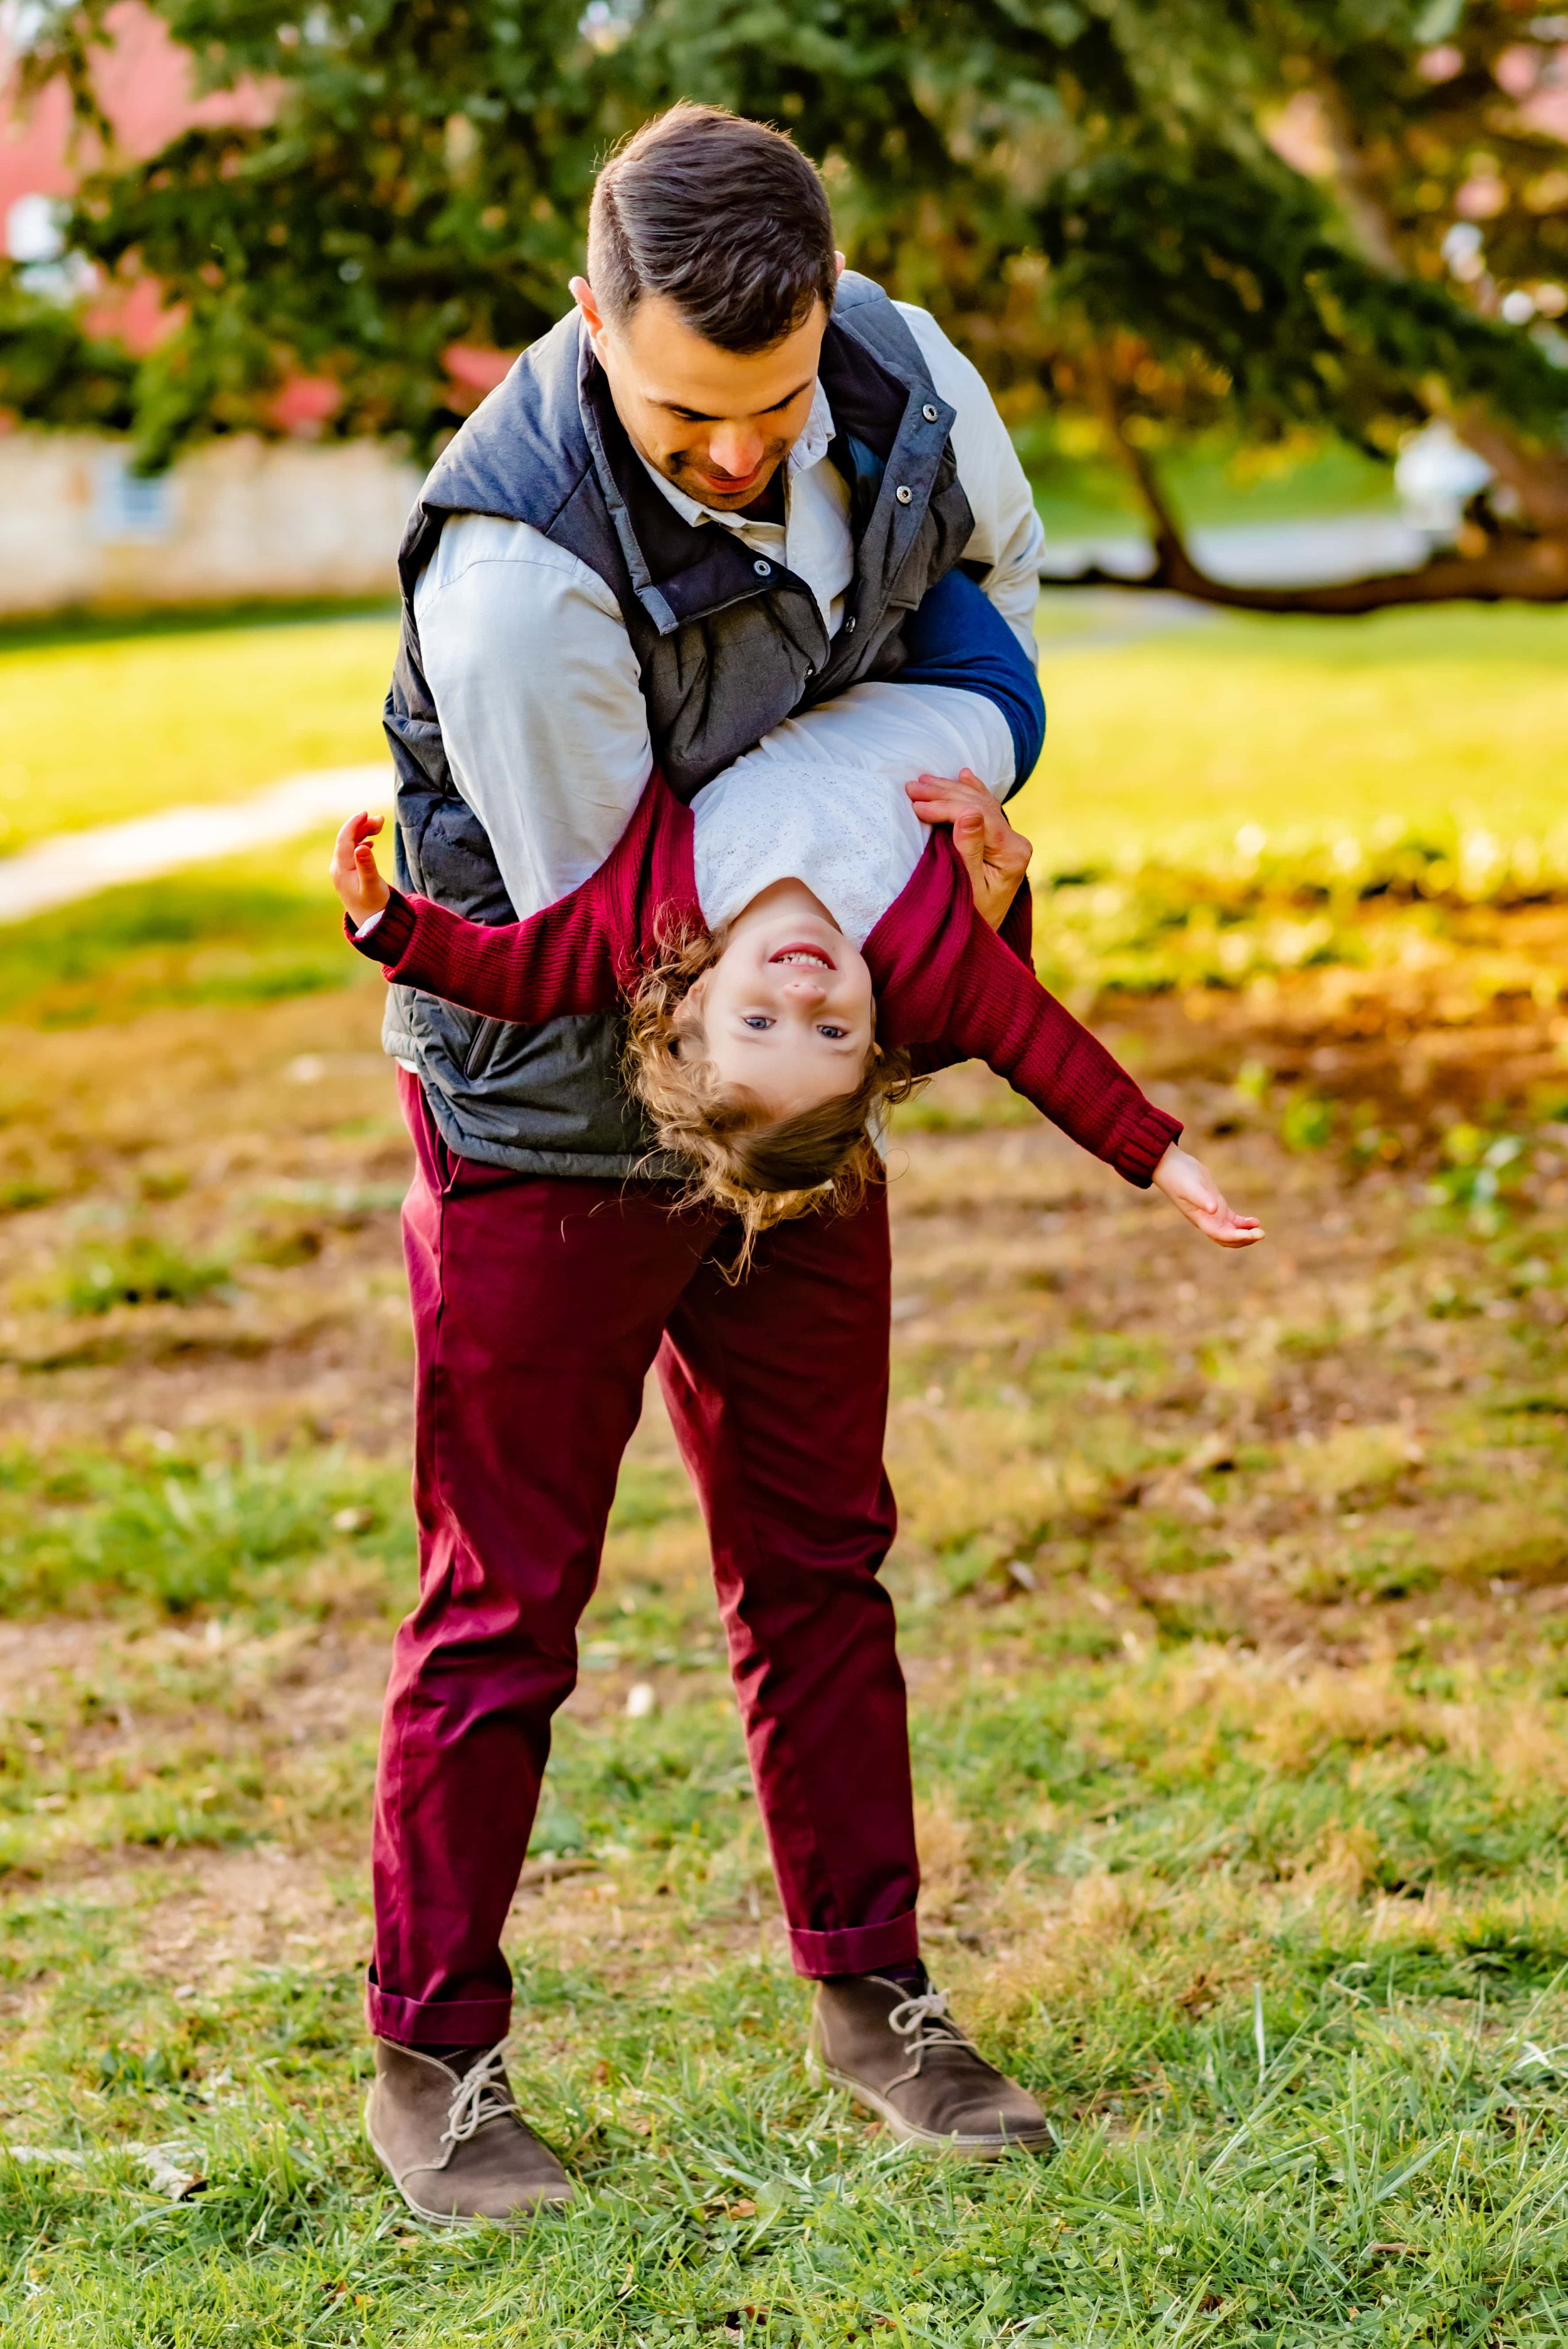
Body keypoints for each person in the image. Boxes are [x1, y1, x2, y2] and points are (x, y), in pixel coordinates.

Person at [358, 99, 1236, 2228]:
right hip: (566, 1110)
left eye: (768, 407)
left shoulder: (907, 382)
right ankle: (438, 2061)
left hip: (797, 1079)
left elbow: (983, 606)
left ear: (830, 313)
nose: (739, 455)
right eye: (683, 415)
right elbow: (628, 940)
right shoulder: (521, 591)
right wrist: (861, 882)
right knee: (507, 1611)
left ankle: (879, 1995)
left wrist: (953, 875)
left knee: (822, 1555)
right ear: (589, 323)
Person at [331, 570, 1260, 1255]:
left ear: (690, 1006)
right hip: (968, 686)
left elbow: (518, 976)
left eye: (763, 1020)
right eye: (834, 1030)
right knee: (907, 542)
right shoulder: (930, 972)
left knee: (792, 561)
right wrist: (1166, 1163)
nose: (808, 992)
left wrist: (387, 920)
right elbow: (1054, 1059)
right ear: (874, 1037)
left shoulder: (660, 912)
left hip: (830, 677)